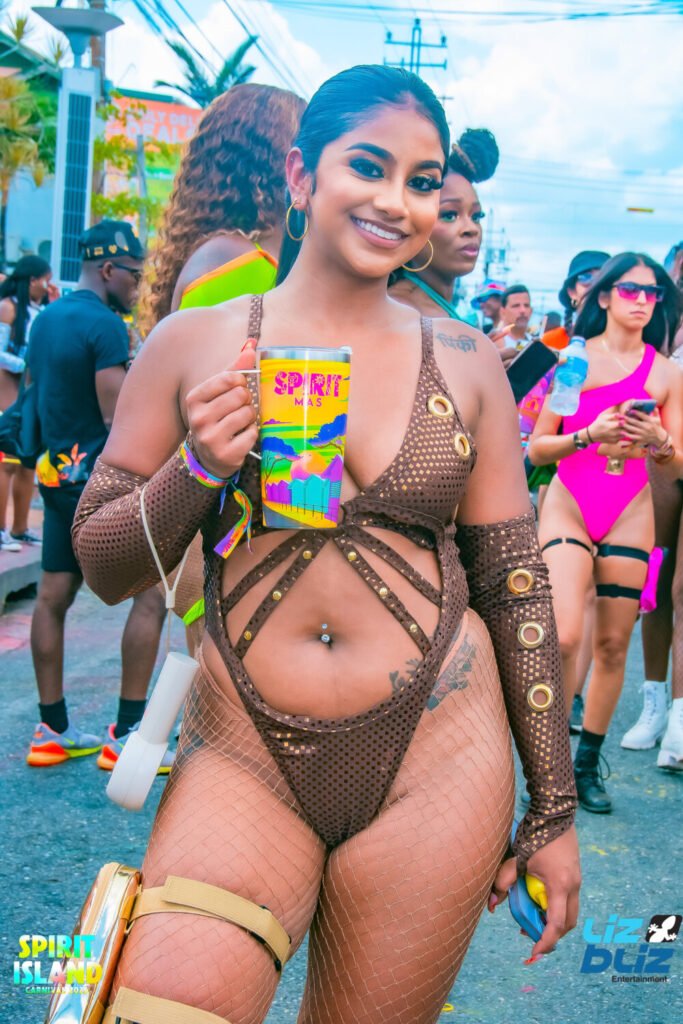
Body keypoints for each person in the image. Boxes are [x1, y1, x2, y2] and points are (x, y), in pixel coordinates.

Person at [71, 66, 578, 1023]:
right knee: (164, 1006)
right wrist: (198, 469)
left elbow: (512, 585)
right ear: (302, 176)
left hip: (438, 753)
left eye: (421, 182)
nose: (395, 202)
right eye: (368, 167)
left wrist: (551, 805)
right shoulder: (193, 341)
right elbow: (102, 566)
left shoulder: (468, 362)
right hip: (243, 747)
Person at [136, 83, 305, 658]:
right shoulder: (244, 268)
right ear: (276, 164)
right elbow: (263, 433)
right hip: (239, 544)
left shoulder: (221, 255)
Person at [528, 253, 683, 814]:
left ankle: (585, 766)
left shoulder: (667, 374)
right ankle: (545, 766)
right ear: (604, 297)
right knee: (565, 634)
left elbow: (678, 462)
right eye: (631, 290)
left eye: (653, 293)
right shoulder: (573, 360)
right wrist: (589, 433)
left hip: (630, 506)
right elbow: (538, 448)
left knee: (614, 644)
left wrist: (660, 441)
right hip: (570, 500)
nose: (642, 300)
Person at [25, 221, 166, 768]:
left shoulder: (46, 319)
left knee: (52, 598)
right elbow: (117, 418)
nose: (136, 285)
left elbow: (37, 396)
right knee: (150, 598)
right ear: (108, 269)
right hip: (103, 487)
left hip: (55, 476)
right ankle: (127, 734)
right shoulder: (106, 326)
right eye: (133, 274)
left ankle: (51, 729)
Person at [389, 127, 498, 325]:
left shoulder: (434, 308)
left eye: (476, 216)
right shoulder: (401, 313)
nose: (471, 229)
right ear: (409, 225)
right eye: (450, 215)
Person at [0, 255, 52, 551]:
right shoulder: (7, 307)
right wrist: (28, 363)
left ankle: (20, 529)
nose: (47, 286)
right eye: (45, 280)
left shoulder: (40, 311)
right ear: (32, 280)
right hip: (7, 392)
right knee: (7, 463)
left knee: (26, 462)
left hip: (29, 395)